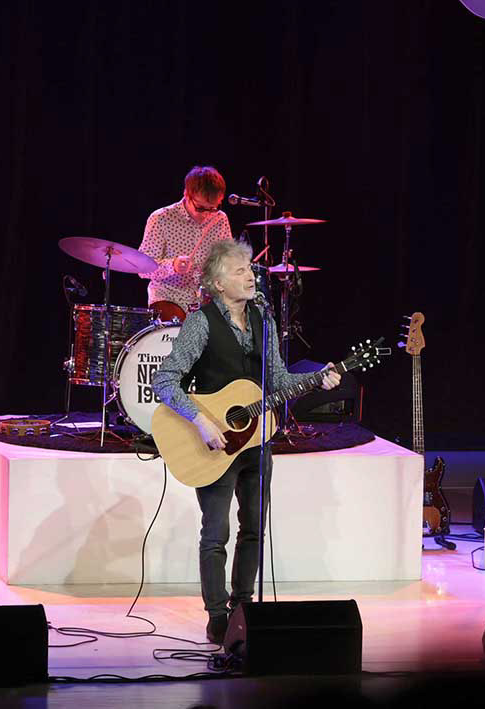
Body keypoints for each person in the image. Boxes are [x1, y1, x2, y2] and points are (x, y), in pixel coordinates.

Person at [151, 239, 341, 646]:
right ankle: (217, 617)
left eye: (250, 269)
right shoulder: (201, 323)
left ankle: (243, 608)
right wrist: (201, 420)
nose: (250, 276)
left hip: (256, 441)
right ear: (218, 283)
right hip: (212, 444)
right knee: (215, 533)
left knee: (253, 529)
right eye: (239, 271)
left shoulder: (263, 320)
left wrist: (317, 379)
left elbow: (279, 381)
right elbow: (164, 381)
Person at [138, 165, 232, 320]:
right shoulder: (161, 218)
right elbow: (142, 269)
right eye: (200, 208)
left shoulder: (220, 219)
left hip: (205, 300)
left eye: (212, 208)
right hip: (169, 296)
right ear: (187, 195)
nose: (207, 214)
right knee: (179, 331)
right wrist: (173, 265)